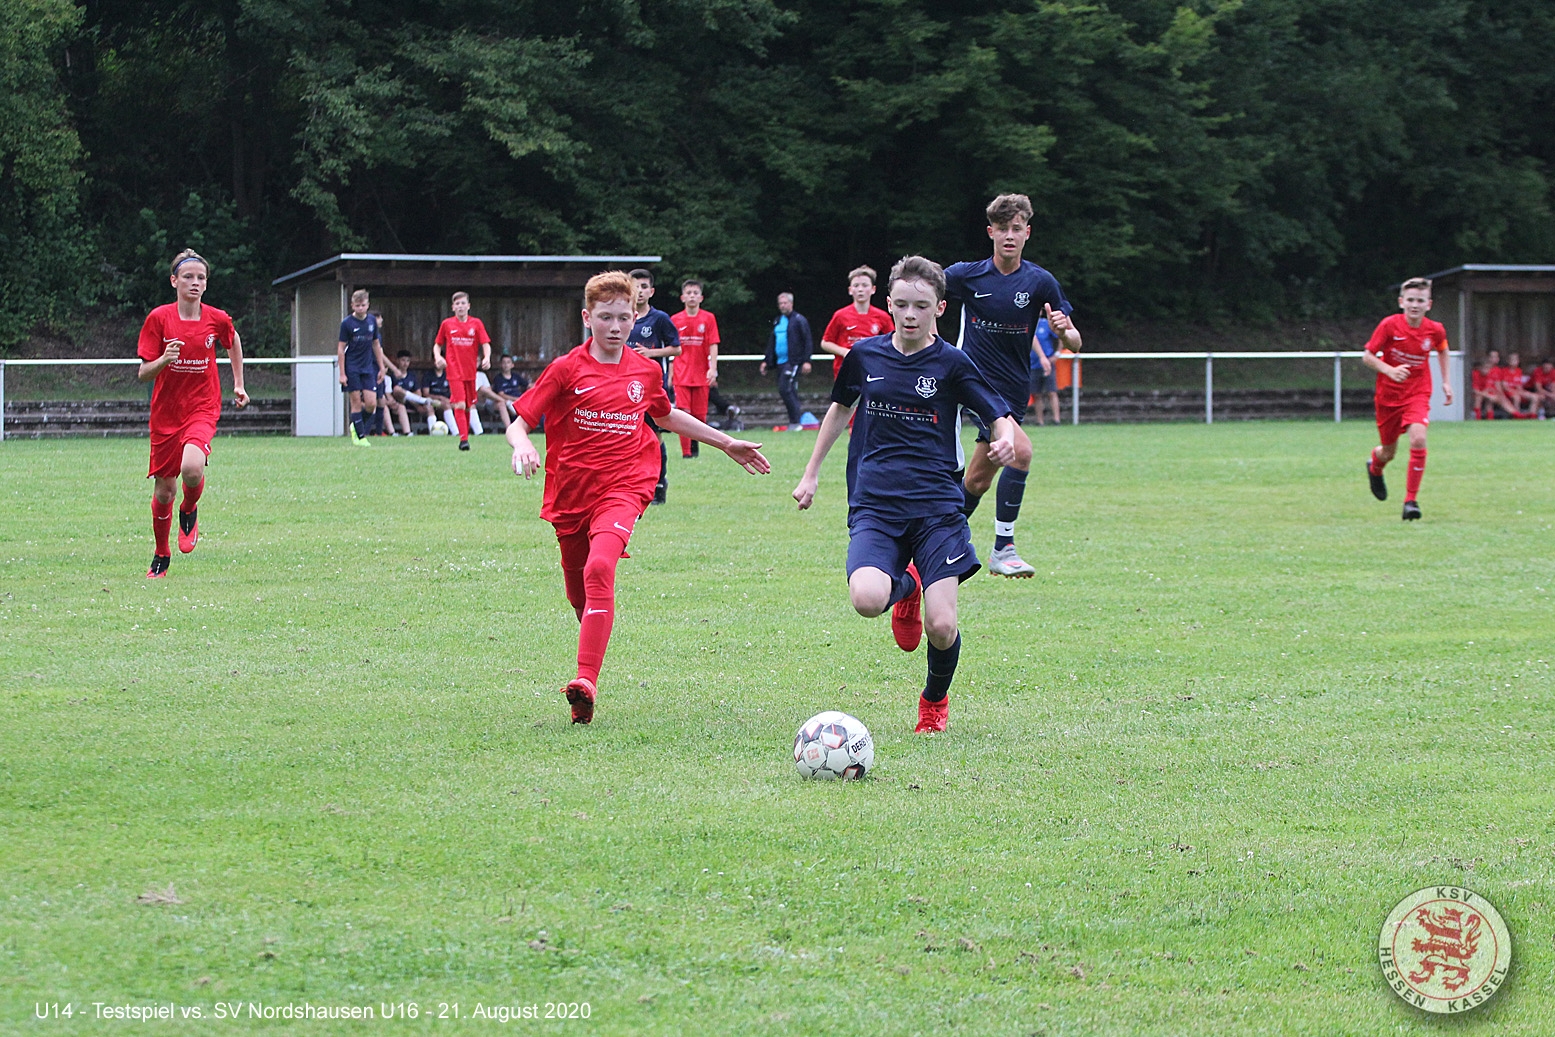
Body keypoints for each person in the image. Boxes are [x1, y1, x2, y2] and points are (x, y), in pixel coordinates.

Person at [508, 270, 770, 724]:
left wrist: (726, 442)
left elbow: (666, 416)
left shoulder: (645, 371)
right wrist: (522, 444)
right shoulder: (566, 369)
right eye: (605, 317)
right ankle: (590, 656)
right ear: (587, 318)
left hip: (626, 486)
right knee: (579, 593)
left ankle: (585, 680)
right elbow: (519, 421)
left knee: (600, 567)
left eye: (623, 318)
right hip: (571, 494)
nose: (615, 327)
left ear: (635, 317)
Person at [792, 256, 1016, 734]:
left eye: (921, 306)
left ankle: (934, 701)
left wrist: (1004, 439)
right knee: (867, 599)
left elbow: (998, 414)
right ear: (889, 304)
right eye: (902, 304)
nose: (910, 314)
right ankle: (907, 588)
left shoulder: (953, 364)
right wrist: (811, 473)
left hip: (937, 508)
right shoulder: (865, 356)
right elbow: (839, 410)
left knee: (942, 626)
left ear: (940, 308)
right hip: (876, 503)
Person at [946, 193, 1080, 579]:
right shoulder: (966, 275)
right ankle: (1003, 548)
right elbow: (922, 290)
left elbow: (1076, 342)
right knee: (1021, 452)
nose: (1009, 235)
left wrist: (1064, 331)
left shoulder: (1040, 282)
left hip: (1014, 390)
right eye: (1002, 228)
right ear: (990, 232)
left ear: (1027, 233)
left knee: (977, 479)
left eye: (1016, 229)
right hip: (974, 384)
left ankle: (938, 538)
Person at [135, 249, 249, 579]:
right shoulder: (159, 319)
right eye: (188, 277)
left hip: (202, 406)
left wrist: (238, 383)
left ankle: (189, 508)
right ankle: (161, 553)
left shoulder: (216, 318)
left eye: (201, 277)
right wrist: (164, 359)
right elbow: (143, 373)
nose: (195, 282)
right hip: (166, 413)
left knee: (192, 467)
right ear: (174, 281)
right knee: (164, 490)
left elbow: (232, 339)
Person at [1362, 276, 1453, 520]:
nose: (1415, 305)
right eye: (1410, 300)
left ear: (1428, 304)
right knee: (1388, 452)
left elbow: (1443, 350)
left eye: (1420, 301)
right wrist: (1389, 370)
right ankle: (1375, 465)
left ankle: (1410, 502)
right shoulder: (1389, 325)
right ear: (1401, 302)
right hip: (1388, 396)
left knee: (1419, 438)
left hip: (1417, 392)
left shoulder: (1435, 329)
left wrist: (1446, 381)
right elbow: (1367, 356)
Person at [628, 268, 681, 503]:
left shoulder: (659, 319)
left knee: (655, 434)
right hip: (624, 388)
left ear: (651, 291)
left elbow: (676, 349)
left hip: (650, 388)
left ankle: (660, 483)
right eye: (635, 286)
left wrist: (651, 353)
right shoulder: (622, 317)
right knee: (627, 435)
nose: (639, 291)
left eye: (643, 287)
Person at [432, 291, 491, 450]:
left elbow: (485, 343)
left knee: (468, 405)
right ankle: (463, 440)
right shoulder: (447, 324)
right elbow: (437, 344)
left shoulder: (476, 324)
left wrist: (487, 357)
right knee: (459, 404)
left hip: (470, 371)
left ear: (468, 306)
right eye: (457, 304)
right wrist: (438, 357)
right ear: (453, 307)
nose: (460, 306)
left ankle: (465, 435)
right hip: (454, 370)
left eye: (463, 303)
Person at [670, 279, 720, 458]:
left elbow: (713, 344)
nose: (692, 296)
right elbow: (672, 347)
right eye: (689, 293)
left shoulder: (708, 318)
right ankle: (686, 452)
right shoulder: (675, 319)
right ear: (682, 297)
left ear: (701, 297)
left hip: (701, 374)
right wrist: (671, 372)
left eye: (695, 293)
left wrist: (712, 368)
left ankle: (695, 447)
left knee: (699, 415)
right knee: (683, 413)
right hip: (681, 374)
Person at [336, 289, 388, 446]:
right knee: (356, 402)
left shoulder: (371, 322)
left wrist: (381, 367)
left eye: (363, 305)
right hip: (352, 367)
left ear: (368, 305)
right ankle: (360, 437)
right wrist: (342, 373)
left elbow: (376, 344)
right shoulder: (347, 324)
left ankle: (356, 425)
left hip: (367, 368)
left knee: (372, 404)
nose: (360, 308)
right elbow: (341, 349)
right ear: (352, 306)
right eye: (357, 305)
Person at [820, 266, 893, 378]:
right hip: (845, 371)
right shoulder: (840, 315)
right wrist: (844, 352)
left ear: (873, 289)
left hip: (872, 370)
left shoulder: (883, 317)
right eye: (856, 285)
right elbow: (825, 343)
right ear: (850, 290)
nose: (860, 289)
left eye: (865, 285)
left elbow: (893, 342)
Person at [761, 292, 814, 429]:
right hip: (780, 362)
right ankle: (794, 422)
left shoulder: (799, 320)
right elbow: (772, 342)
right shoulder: (778, 321)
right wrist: (767, 361)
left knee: (786, 389)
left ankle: (796, 422)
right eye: (780, 303)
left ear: (791, 303)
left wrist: (807, 360)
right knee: (786, 390)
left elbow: (807, 340)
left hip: (793, 362)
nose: (783, 306)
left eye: (785, 303)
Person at [483, 353, 530, 430]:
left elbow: (528, 385)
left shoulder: (516, 376)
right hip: (507, 401)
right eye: (504, 363)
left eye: (508, 362)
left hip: (518, 400)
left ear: (512, 365)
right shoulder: (498, 378)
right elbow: (501, 394)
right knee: (505, 405)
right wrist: (515, 399)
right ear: (501, 365)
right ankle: (510, 428)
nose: (506, 365)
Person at [1029, 316, 1059, 426]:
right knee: (1036, 394)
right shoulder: (1027, 323)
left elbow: (1061, 336)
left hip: (1048, 363)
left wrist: (1057, 354)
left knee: (1052, 392)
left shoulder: (1047, 324)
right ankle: (1040, 421)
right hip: (1033, 364)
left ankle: (1056, 419)